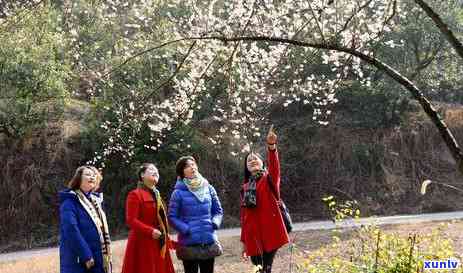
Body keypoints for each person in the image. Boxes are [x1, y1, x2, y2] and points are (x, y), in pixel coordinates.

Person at [240, 125, 289, 273]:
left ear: (262, 163)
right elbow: (244, 216)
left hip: (269, 232)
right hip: (252, 235)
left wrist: (271, 147)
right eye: (249, 160)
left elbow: (275, 167)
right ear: (246, 167)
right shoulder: (245, 187)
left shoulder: (269, 179)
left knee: (266, 269)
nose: (252, 160)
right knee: (257, 269)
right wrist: (244, 242)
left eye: (255, 158)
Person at [168, 156, 224, 273]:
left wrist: (214, 223)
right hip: (188, 242)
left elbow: (218, 211)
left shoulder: (208, 188)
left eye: (193, 164)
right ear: (182, 172)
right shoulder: (177, 193)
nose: (192, 167)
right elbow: (172, 217)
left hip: (208, 240)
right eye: (187, 166)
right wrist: (186, 229)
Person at [121, 163, 175, 273]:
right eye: (151, 169)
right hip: (142, 244)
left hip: (159, 242)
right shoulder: (135, 194)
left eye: (157, 171)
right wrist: (150, 231)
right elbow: (131, 220)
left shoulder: (157, 195)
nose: (155, 172)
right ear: (142, 175)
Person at [59, 166, 112, 273]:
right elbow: (71, 230)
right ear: (78, 179)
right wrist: (86, 255)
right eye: (88, 174)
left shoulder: (96, 201)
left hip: (98, 256)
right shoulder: (69, 202)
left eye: (94, 175)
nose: (92, 177)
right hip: (80, 260)